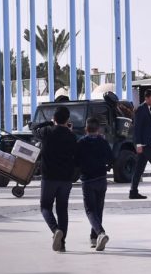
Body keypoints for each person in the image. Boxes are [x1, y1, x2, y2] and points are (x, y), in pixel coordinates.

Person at [39, 105, 79, 251]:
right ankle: (62, 244)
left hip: (49, 177)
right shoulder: (72, 136)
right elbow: (76, 156)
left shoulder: (47, 132)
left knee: (45, 207)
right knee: (62, 210)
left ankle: (55, 230)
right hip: (66, 178)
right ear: (68, 119)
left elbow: (33, 128)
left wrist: (49, 123)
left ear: (54, 118)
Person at [77, 117, 114, 250]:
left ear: (86, 129)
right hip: (101, 179)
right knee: (98, 210)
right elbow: (111, 158)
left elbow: (76, 160)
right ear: (98, 129)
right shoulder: (102, 142)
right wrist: (106, 166)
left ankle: (100, 233)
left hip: (88, 180)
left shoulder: (81, 142)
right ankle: (94, 238)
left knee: (90, 210)